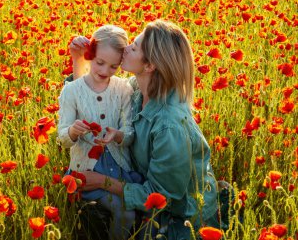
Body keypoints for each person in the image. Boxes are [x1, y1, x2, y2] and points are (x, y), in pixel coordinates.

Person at [68, 20, 220, 240]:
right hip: (140, 186)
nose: (126, 47)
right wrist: (80, 59)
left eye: (135, 46)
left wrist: (103, 182)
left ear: (149, 66)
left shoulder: (170, 127)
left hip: (178, 217)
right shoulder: (137, 89)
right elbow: (90, 99)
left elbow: (160, 198)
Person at [58, 25, 142, 240]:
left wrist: (118, 135)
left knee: (135, 211)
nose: (105, 71)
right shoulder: (72, 90)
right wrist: (73, 131)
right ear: (90, 55)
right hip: (85, 169)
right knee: (125, 212)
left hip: (118, 167)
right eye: (100, 63)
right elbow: (63, 139)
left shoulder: (123, 89)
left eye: (113, 66)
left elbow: (130, 133)